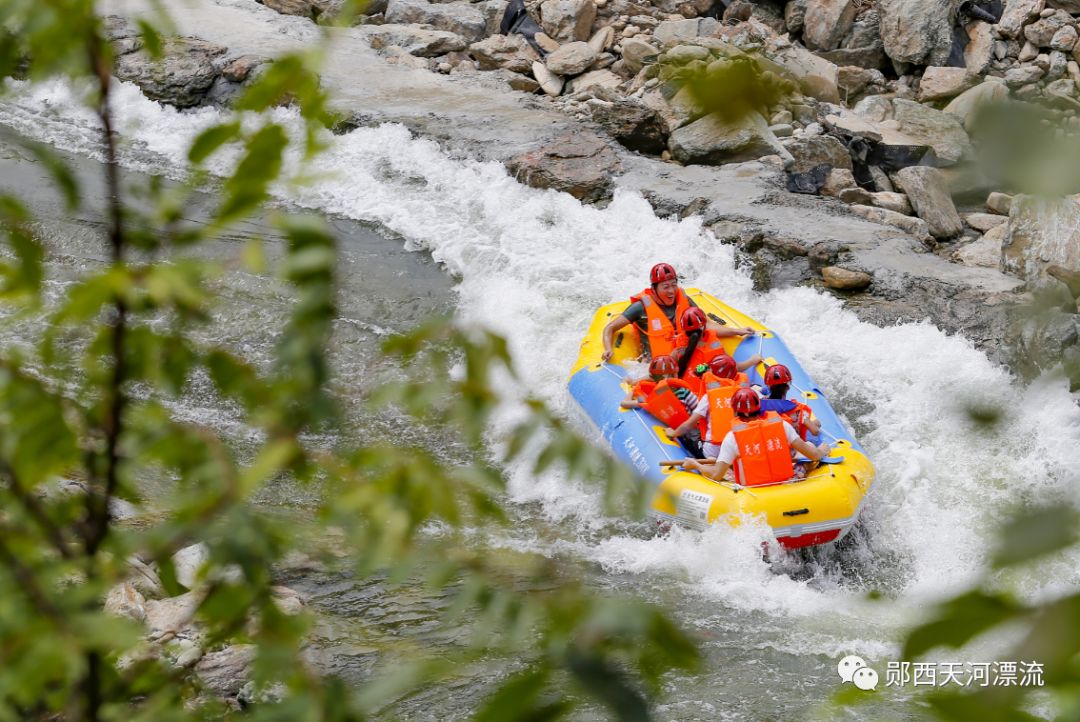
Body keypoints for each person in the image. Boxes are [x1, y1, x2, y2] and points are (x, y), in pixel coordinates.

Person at [601, 263, 753, 363]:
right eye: (665, 287)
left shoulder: (684, 300)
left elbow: (704, 325)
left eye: (674, 285)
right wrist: (608, 348)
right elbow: (610, 328)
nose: (671, 291)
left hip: (685, 355)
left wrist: (737, 331)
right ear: (654, 289)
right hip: (657, 365)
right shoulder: (640, 308)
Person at [680, 388, 830, 486]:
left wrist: (696, 465)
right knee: (809, 446)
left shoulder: (732, 437)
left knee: (717, 467)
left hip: (754, 491)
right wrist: (822, 450)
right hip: (785, 484)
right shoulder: (782, 426)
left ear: (737, 412)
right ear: (758, 407)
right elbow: (814, 455)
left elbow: (716, 475)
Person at [621, 355, 703, 456]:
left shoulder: (653, 399)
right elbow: (702, 413)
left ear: (653, 378)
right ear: (675, 375)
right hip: (694, 436)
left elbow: (624, 403)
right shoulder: (684, 393)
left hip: (682, 438)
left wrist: (634, 389)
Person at [678, 307, 758, 378]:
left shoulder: (677, 346)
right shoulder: (713, 343)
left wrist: (737, 331)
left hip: (689, 391)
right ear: (704, 327)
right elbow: (736, 368)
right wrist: (753, 361)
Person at [759, 364, 821, 442]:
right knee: (817, 422)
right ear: (788, 387)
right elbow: (815, 431)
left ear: (768, 386)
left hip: (772, 443)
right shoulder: (798, 409)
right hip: (796, 447)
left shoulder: (759, 405)